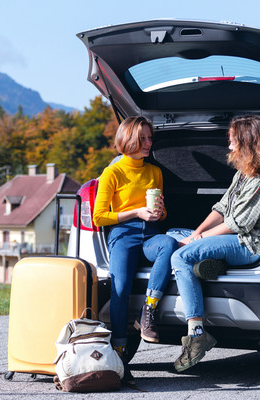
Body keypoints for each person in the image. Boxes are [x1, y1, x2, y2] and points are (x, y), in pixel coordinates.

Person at [168, 115, 260, 373]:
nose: (229, 147)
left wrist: (197, 240)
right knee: (174, 234)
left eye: (232, 142)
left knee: (180, 256)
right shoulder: (245, 172)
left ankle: (197, 334)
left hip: (247, 244)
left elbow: (237, 224)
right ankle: (208, 263)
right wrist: (196, 232)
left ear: (247, 142)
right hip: (231, 236)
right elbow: (222, 207)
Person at [92, 116, 179, 384]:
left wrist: (159, 212)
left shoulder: (155, 172)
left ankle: (148, 311)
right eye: (142, 138)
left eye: (149, 138)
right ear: (127, 139)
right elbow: (99, 217)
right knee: (120, 290)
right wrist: (136, 213)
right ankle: (119, 357)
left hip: (150, 235)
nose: (147, 143)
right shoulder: (113, 173)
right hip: (123, 236)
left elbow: (162, 215)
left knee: (168, 244)